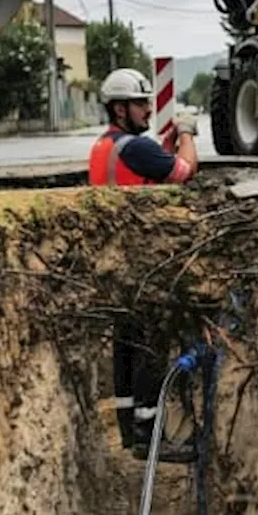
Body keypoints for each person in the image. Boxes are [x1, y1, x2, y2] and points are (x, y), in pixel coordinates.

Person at [89, 68, 201, 463]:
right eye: (140, 103)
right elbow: (184, 172)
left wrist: (165, 148)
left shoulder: (107, 145)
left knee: (125, 349)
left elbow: (150, 168)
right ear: (120, 108)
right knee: (149, 350)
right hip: (142, 264)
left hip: (116, 262)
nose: (148, 109)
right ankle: (152, 439)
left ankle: (131, 433)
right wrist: (187, 133)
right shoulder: (134, 147)